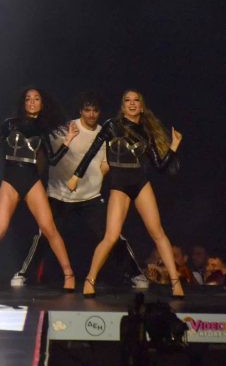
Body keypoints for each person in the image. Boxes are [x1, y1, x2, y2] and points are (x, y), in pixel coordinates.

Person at [9, 92, 147, 288]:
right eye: (87, 110)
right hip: (59, 193)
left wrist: (101, 172)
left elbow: (107, 162)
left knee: (112, 234)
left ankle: (136, 273)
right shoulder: (66, 129)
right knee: (44, 234)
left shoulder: (104, 133)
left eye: (95, 111)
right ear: (81, 111)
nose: (91, 114)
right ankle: (23, 273)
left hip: (90, 196)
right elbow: (47, 155)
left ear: (99, 112)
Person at [67, 90, 183, 298]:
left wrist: (173, 146)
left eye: (136, 100)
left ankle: (175, 282)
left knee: (158, 232)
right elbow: (92, 151)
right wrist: (76, 176)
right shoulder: (112, 125)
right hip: (119, 185)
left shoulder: (146, 131)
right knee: (111, 236)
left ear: (141, 106)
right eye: (127, 100)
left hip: (140, 183)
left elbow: (159, 166)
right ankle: (90, 279)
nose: (132, 103)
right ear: (122, 106)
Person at [0, 88, 78, 292]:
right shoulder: (10, 124)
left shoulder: (42, 129)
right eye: (28, 99)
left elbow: (52, 160)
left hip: (31, 180)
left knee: (49, 228)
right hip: (10, 180)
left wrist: (68, 140)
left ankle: (69, 275)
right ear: (23, 103)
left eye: (36, 99)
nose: (32, 102)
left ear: (42, 103)